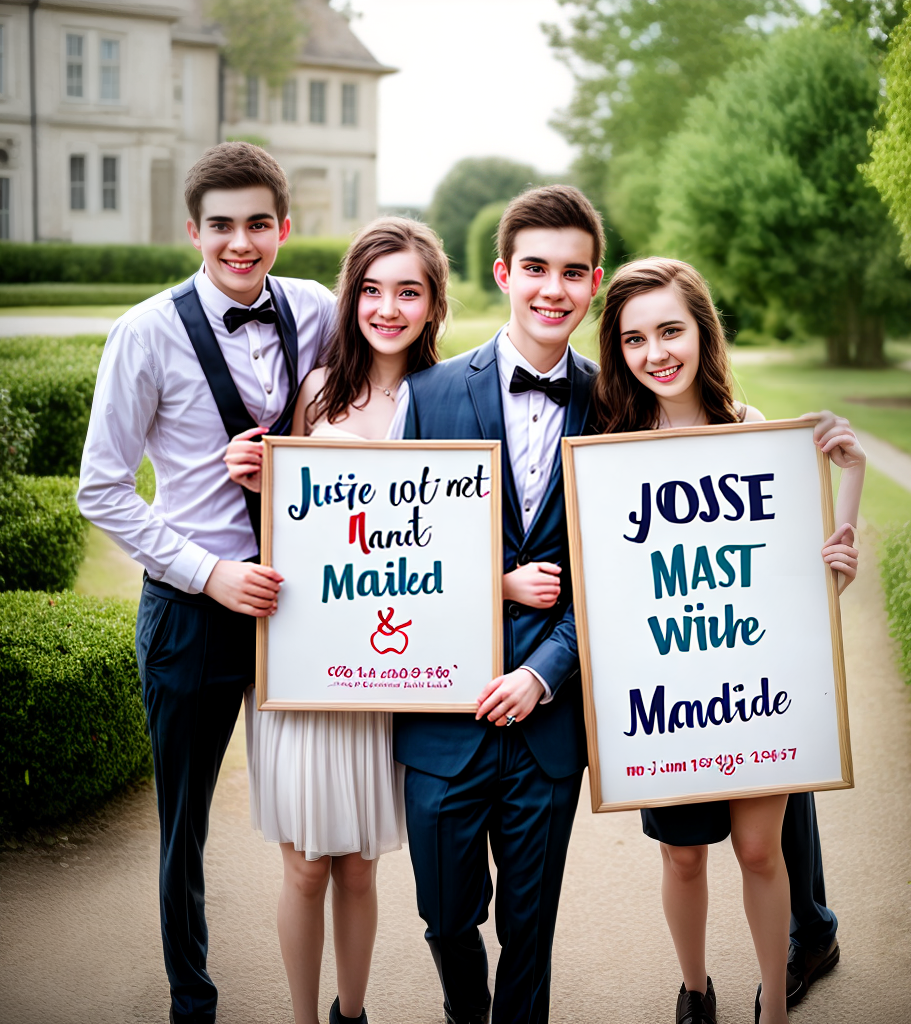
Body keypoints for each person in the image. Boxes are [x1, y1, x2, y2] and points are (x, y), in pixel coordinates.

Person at [77, 142, 336, 1022]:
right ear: (193, 230)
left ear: (283, 228)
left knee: (315, 817)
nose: (240, 242)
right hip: (193, 614)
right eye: (221, 225)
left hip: (310, 613)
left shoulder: (319, 309)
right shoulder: (142, 331)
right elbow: (101, 489)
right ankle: (193, 997)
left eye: (257, 223)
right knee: (182, 827)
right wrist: (209, 571)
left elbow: (383, 404)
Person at [590, 257, 865, 1024]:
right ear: (620, 350)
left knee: (758, 853)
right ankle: (695, 989)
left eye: (671, 330)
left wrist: (851, 485)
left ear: (702, 331)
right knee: (683, 856)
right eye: (635, 338)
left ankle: (774, 1004)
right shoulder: (608, 451)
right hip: (666, 700)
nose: (656, 353)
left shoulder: (755, 434)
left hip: (754, 692)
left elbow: (805, 594)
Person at [222, 216, 450, 1024]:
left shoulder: (448, 397)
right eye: (374, 290)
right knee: (305, 868)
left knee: (358, 868)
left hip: (390, 667)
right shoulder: (318, 390)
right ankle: (302, 1018)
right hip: (307, 654)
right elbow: (292, 513)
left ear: (433, 304)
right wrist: (250, 474)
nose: (388, 308)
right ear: (353, 297)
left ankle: (352, 1013)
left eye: (408, 292)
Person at [394, 184, 605, 1024]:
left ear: (595, 283)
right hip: (443, 719)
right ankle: (463, 1013)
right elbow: (401, 557)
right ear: (503, 273)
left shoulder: (616, 403)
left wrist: (545, 673)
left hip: (550, 722)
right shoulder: (432, 393)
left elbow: (618, 578)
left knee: (531, 925)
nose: (553, 289)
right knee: (444, 914)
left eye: (573, 273)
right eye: (536, 269)